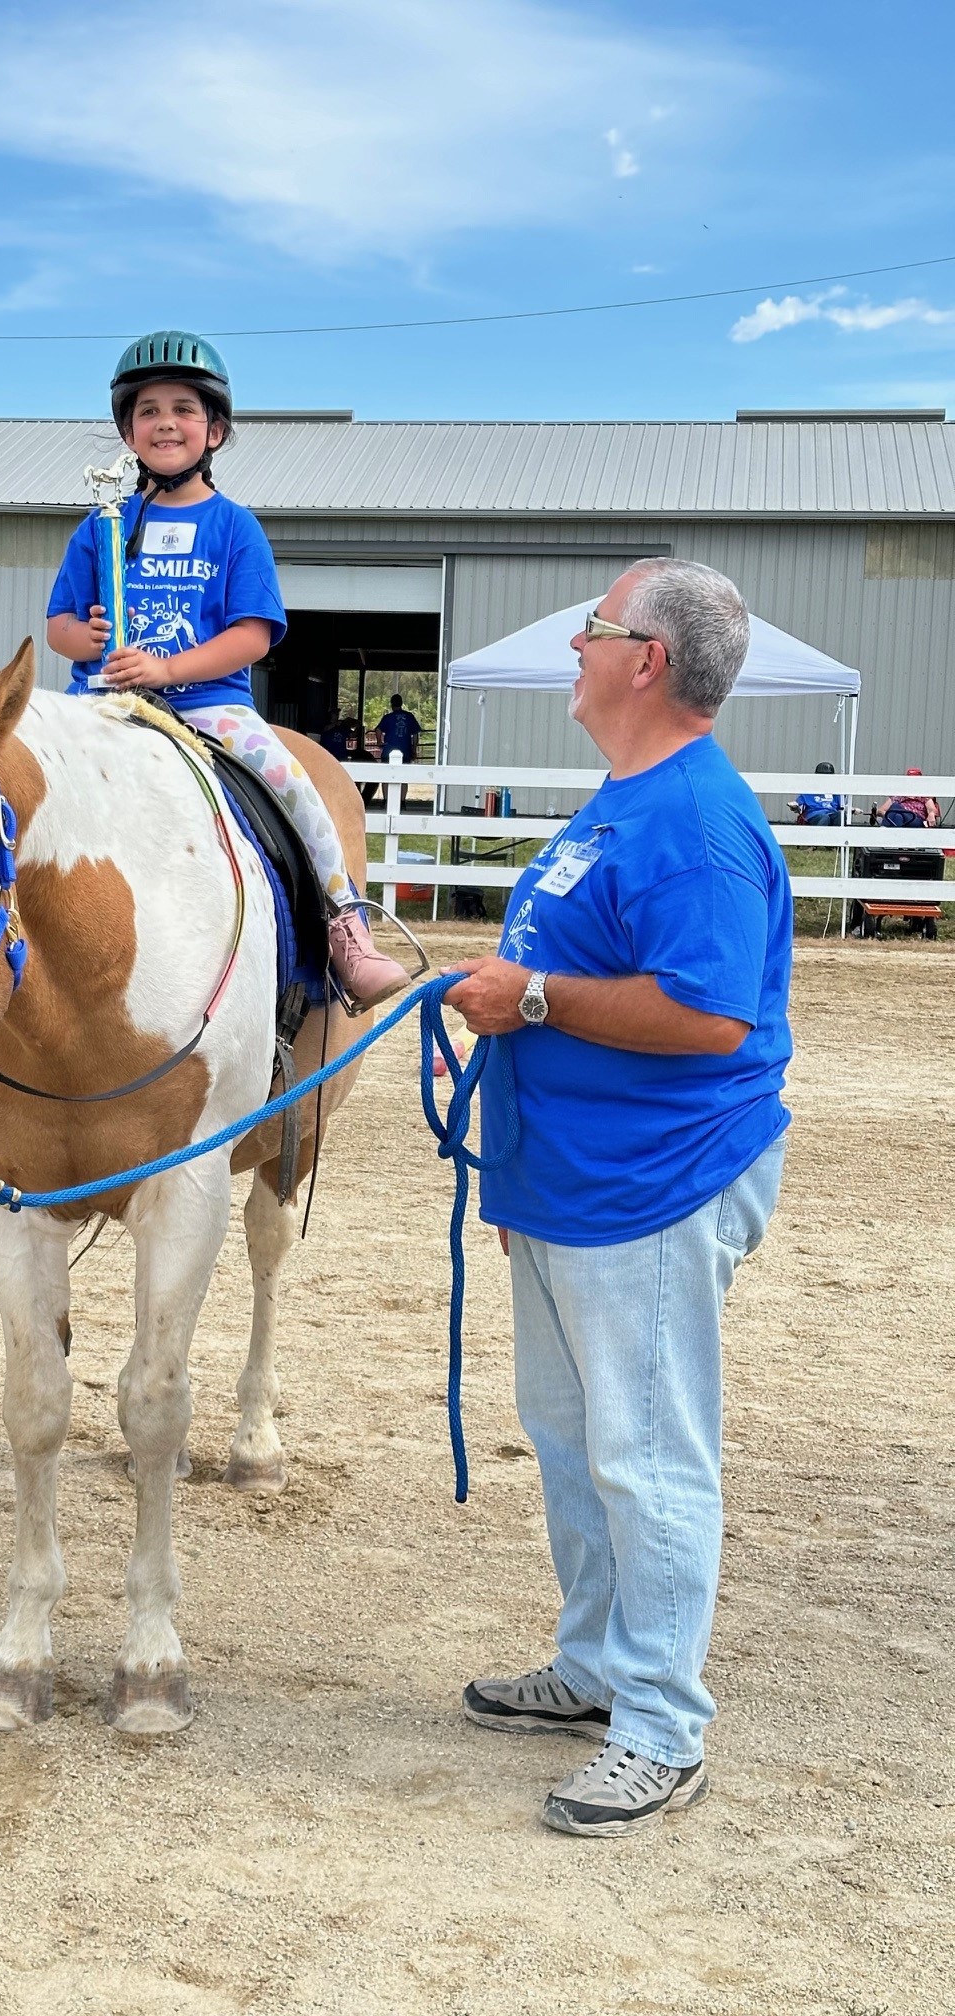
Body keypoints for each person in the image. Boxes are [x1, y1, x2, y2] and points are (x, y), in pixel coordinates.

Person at [446, 558, 792, 1838]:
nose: (574, 646)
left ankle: (659, 1726)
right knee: (574, 1438)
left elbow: (711, 1014)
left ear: (645, 660)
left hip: (652, 1183)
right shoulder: (623, 802)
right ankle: (596, 1664)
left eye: (592, 628)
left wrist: (531, 999)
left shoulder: (694, 824)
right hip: (568, 1180)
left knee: (648, 1458)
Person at [45, 329, 410, 1008]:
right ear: (127, 431)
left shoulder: (235, 526)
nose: (166, 422)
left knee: (292, 785)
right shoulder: (100, 527)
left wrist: (166, 669)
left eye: (184, 409)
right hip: (101, 704)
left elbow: (252, 635)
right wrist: (84, 637)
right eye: (149, 410)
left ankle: (345, 929)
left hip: (206, 705)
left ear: (214, 430)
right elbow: (58, 626)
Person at [875, 767, 941, 829]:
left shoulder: (924, 795)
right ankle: (896, 834)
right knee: (898, 816)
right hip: (900, 819)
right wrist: (890, 815)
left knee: (895, 806)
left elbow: (932, 809)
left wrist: (931, 814)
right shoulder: (899, 795)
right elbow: (880, 810)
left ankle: (884, 831)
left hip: (915, 819)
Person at [790, 760, 845, 826]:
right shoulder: (809, 791)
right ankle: (820, 833)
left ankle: (837, 832)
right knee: (825, 818)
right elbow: (798, 803)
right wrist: (794, 804)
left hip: (831, 813)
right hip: (815, 815)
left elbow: (843, 806)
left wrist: (852, 809)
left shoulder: (835, 792)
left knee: (840, 816)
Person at [376, 693, 422, 765]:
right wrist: (414, 750)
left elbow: (378, 729)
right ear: (401, 704)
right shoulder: (409, 716)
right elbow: (415, 734)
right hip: (405, 752)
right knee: (403, 771)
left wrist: (379, 742)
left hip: (388, 753)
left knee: (387, 771)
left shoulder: (388, 717)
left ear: (391, 704)